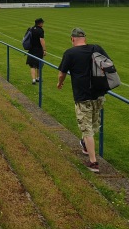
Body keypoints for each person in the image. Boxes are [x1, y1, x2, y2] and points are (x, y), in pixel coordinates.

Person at [56, 27, 110, 173]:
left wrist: (60, 83)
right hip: (99, 95)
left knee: (87, 130)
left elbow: (62, 73)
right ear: (84, 38)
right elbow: (108, 64)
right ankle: (85, 145)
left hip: (83, 96)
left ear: (72, 39)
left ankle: (93, 163)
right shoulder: (96, 48)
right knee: (93, 124)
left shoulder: (70, 53)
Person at [26, 18, 46, 84]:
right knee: (39, 64)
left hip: (31, 49)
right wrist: (44, 50)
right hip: (38, 50)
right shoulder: (40, 30)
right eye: (42, 23)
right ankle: (38, 78)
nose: (43, 24)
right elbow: (41, 40)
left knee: (32, 65)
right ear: (40, 23)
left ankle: (33, 79)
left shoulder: (31, 29)